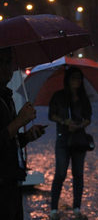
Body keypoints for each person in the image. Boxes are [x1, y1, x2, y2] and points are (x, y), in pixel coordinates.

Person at [0, 47, 46, 219]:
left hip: (12, 183)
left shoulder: (7, 96)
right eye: (0, 62)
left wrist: (26, 137)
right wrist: (19, 121)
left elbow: (9, 141)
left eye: (9, 61)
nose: (6, 67)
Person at [48, 67, 91, 220]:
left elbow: (88, 117)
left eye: (79, 78)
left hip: (79, 139)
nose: (77, 81)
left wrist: (79, 125)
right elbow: (51, 115)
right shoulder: (58, 96)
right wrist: (64, 121)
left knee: (78, 174)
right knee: (60, 173)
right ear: (68, 79)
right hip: (63, 138)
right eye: (74, 78)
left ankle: (77, 208)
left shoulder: (83, 97)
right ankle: (53, 209)